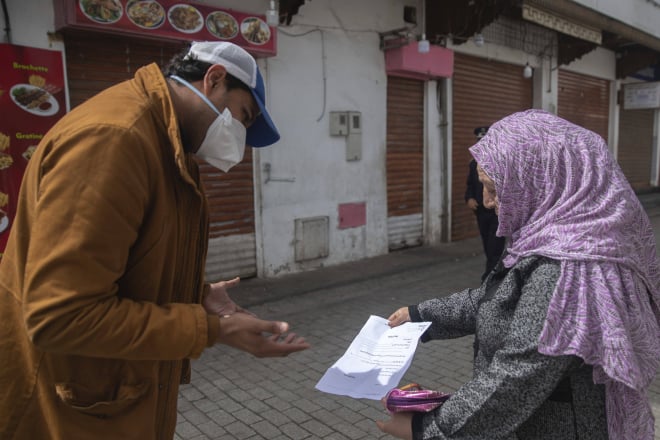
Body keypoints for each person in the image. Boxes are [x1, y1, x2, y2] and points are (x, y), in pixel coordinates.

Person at [0, 41, 310, 439]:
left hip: (109, 398)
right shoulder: (115, 140)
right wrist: (213, 329)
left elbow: (121, 264)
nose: (241, 136)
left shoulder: (168, 148)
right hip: (61, 410)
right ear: (214, 80)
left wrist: (195, 296)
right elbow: (61, 315)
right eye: (243, 117)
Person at [377, 109, 660, 440]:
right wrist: (420, 316)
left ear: (542, 181)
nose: (486, 201)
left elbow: (516, 378)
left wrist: (427, 428)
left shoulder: (567, 269)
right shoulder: (549, 239)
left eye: (495, 189)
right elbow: (496, 300)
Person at [465, 126, 505, 281]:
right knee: (487, 246)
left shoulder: (500, 162)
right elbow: (470, 185)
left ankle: (489, 278)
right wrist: (469, 198)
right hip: (481, 211)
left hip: (496, 210)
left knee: (495, 246)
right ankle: (493, 272)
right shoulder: (473, 163)